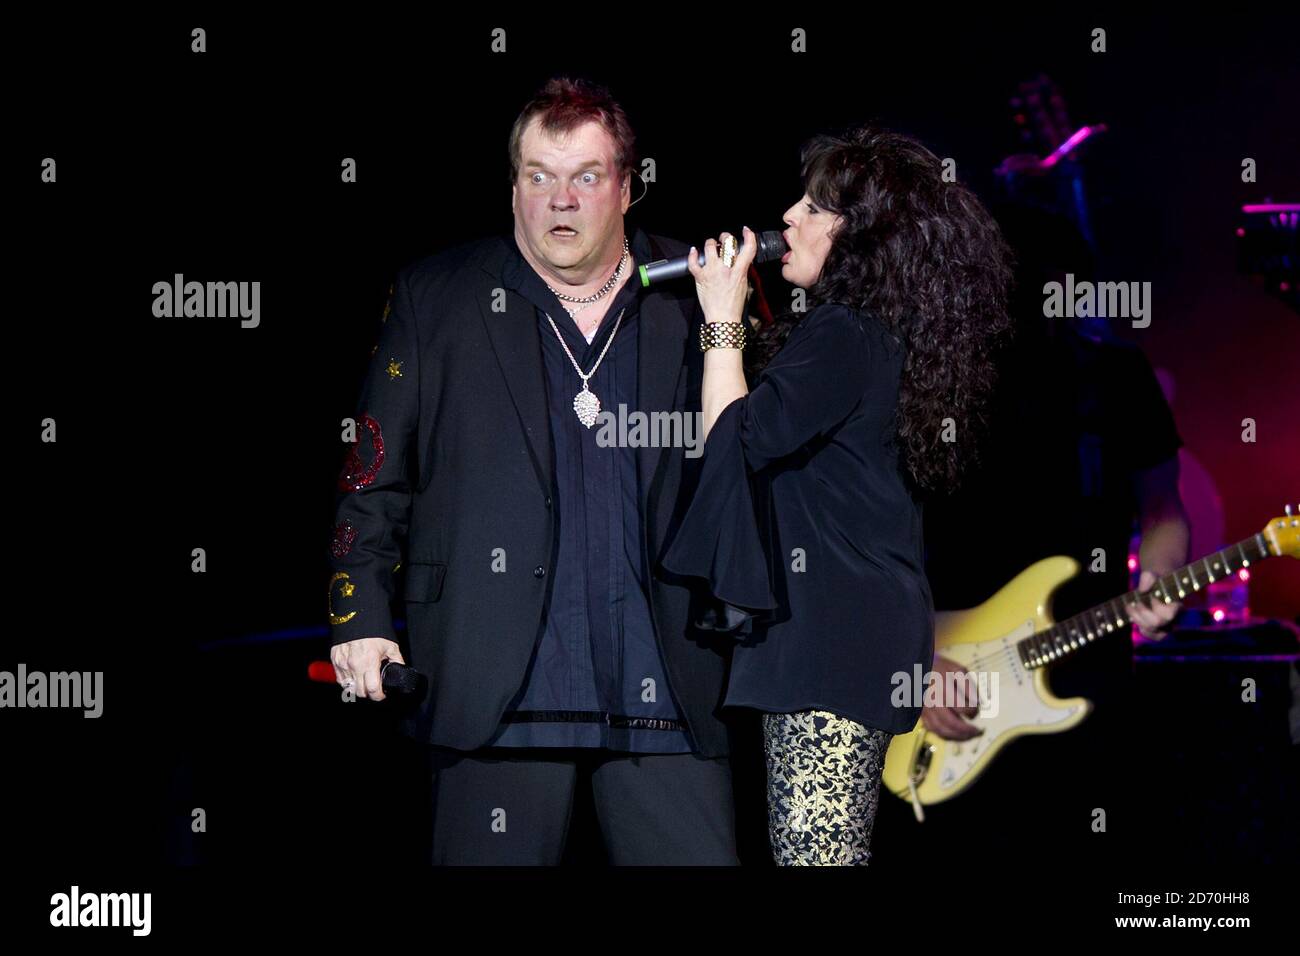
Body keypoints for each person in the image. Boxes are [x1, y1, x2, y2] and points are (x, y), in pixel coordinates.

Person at [325, 77, 739, 864]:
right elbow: (371, 478)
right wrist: (362, 616)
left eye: (585, 177)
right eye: (538, 176)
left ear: (626, 185)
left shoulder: (698, 293)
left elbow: (763, 476)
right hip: (494, 686)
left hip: (669, 684)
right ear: (512, 183)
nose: (560, 201)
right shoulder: (436, 297)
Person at [662, 126, 1015, 865]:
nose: (788, 216)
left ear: (861, 236)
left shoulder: (846, 332)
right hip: (855, 635)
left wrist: (720, 319)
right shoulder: (869, 334)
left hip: (830, 641)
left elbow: (736, 441)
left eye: (815, 207)